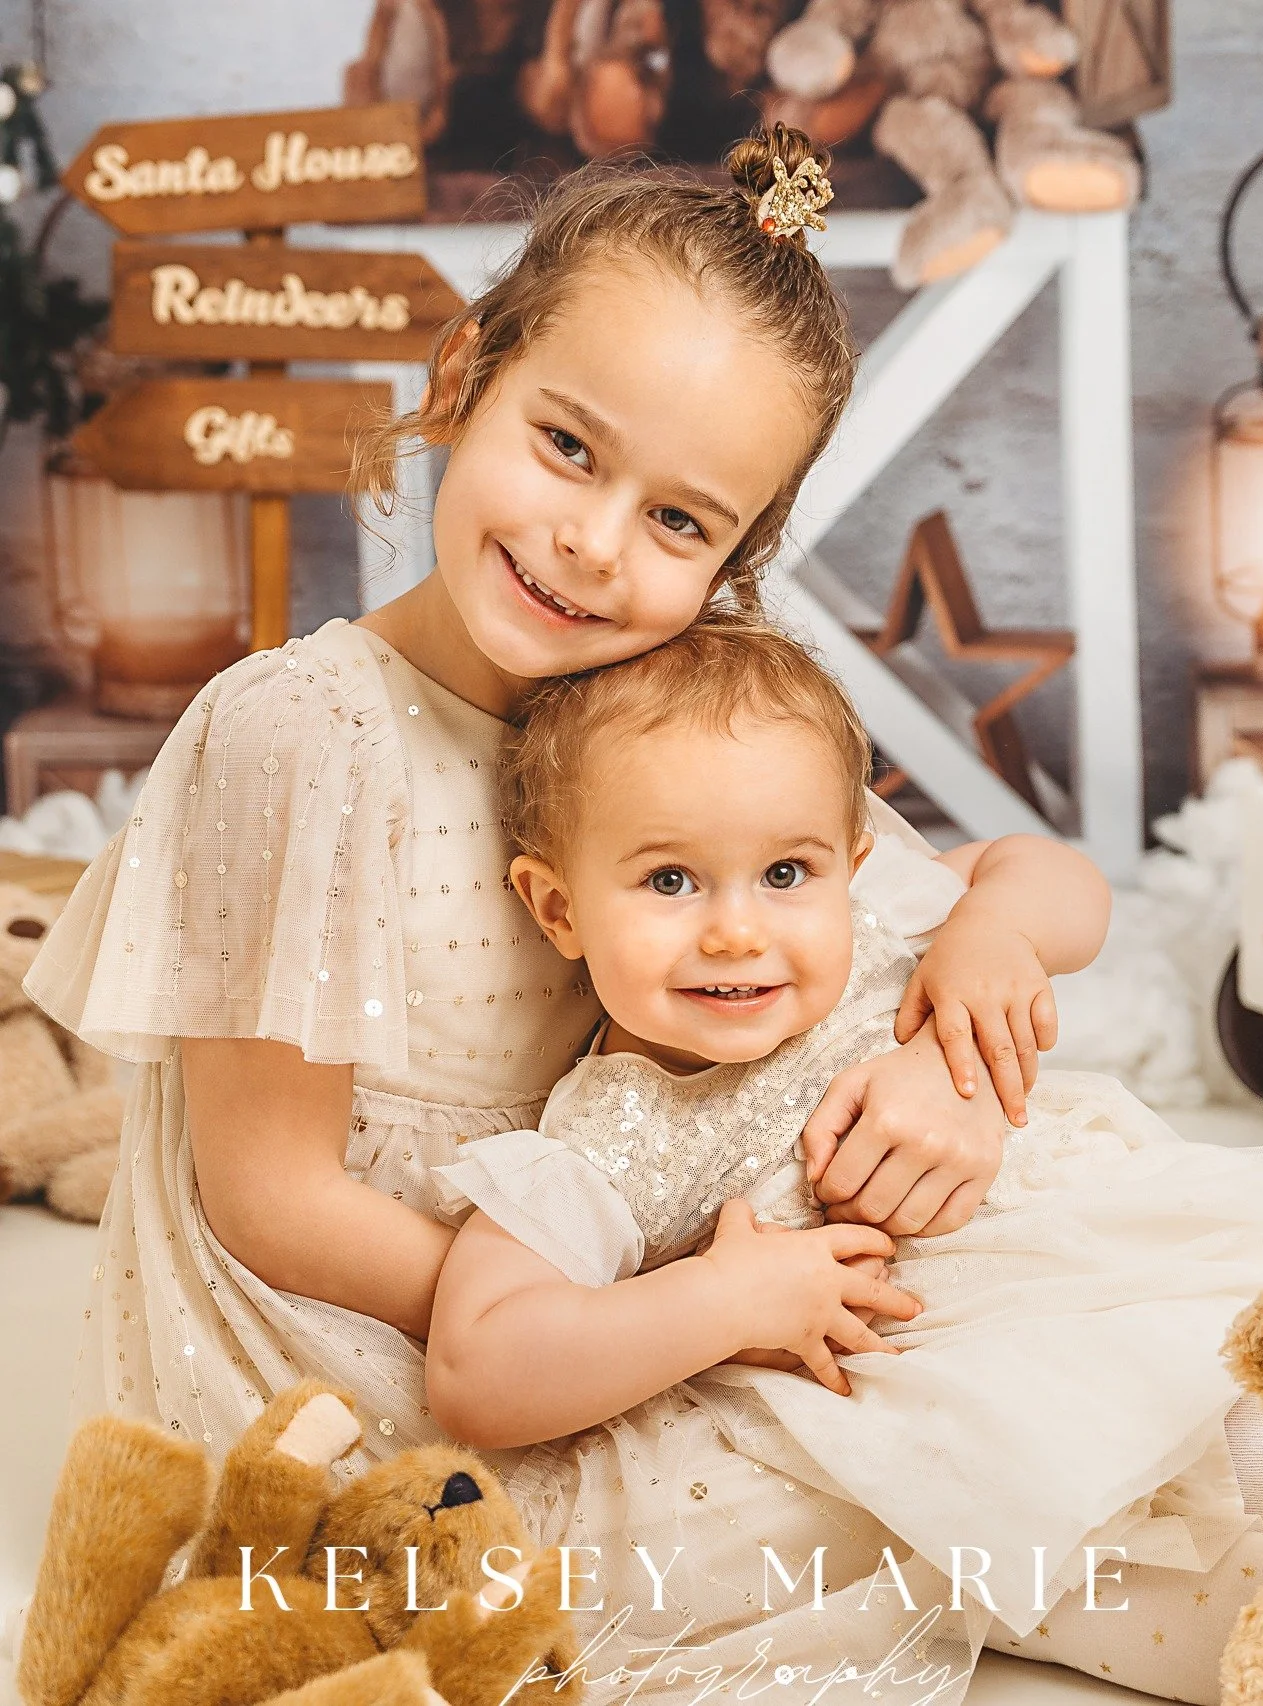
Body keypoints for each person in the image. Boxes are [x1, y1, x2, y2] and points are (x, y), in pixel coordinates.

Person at [24, 129, 1069, 1466]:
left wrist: (966, 1006)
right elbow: (273, 1200)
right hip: (386, 1343)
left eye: (679, 523)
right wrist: (661, 1319)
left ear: (735, 559)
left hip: (633, 1284)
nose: (592, 540)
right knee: (935, 1462)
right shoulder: (304, 731)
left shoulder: (655, 708)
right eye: (568, 445)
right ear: (466, 374)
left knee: (1075, 1345)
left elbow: (965, 887)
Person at [425, 613, 1263, 1706]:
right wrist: (722, 1296)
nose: (738, 928)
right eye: (670, 882)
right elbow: (478, 1368)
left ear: (852, 864)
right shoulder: (619, 1125)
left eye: (785, 870)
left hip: (1126, 1258)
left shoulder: (885, 915)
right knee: (1120, 1566)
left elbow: (1053, 874)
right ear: (558, 905)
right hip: (969, 1394)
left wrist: (993, 930)